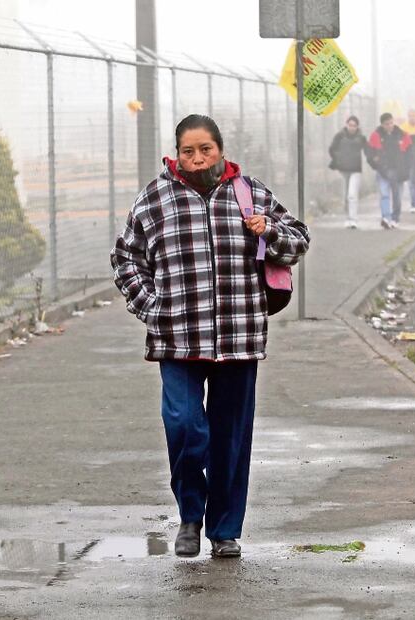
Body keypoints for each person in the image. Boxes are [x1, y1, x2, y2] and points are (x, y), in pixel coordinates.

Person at [110, 114, 310, 558]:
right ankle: (190, 515)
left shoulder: (250, 193)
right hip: (177, 338)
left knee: (230, 439)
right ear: (177, 154)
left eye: (206, 149)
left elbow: (299, 241)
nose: (198, 158)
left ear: (220, 149)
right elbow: (126, 258)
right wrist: (151, 307)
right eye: (189, 151)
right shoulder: (155, 198)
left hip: (239, 337)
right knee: (184, 426)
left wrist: (269, 230)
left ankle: (224, 530)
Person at [366, 112, 412, 229]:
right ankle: (386, 217)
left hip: (399, 171)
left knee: (398, 196)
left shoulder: (402, 135)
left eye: (391, 123)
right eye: (387, 124)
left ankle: (395, 218)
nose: (390, 125)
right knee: (384, 194)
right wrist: (375, 164)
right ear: (382, 124)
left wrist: (407, 167)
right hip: (383, 171)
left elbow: (409, 152)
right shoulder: (376, 136)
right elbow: (369, 153)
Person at [328, 115, 367, 229]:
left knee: (352, 194)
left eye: (354, 125)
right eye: (350, 125)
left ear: (357, 126)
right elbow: (332, 149)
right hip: (344, 169)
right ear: (347, 125)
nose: (352, 127)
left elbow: (368, 151)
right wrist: (338, 159)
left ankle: (353, 219)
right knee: (346, 195)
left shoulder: (361, 138)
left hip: (356, 169)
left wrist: (375, 160)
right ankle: (348, 218)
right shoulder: (340, 136)